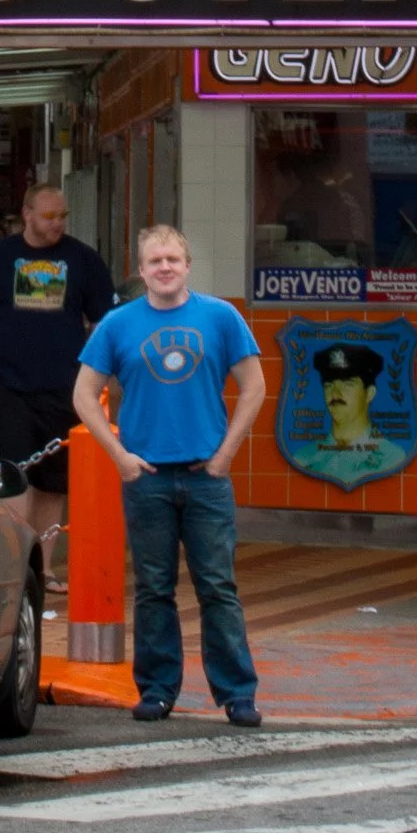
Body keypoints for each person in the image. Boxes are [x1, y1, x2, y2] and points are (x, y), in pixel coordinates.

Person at [73, 224, 266, 727]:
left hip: (207, 476)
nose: (164, 269)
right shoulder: (117, 325)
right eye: (155, 261)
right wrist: (118, 456)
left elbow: (255, 387)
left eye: (173, 260)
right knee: (154, 589)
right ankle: (157, 690)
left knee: (218, 587)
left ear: (187, 266)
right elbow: (82, 395)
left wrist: (226, 454)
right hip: (147, 478)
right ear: (141, 270)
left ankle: (237, 694)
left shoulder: (221, 317)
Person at [0, 186, 116, 556]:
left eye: (62, 216)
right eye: (49, 216)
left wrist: (93, 379)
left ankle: (42, 569)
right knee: (12, 478)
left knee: (52, 483)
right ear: (27, 213)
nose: (57, 224)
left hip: (64, 388)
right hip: (5, 386)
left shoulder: (84, 260)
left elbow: (104, 324)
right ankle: (15, 563)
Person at [292, 341, 410, 485]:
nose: (335, 393)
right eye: (328, 384)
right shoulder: (303, 458)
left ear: (369, 393)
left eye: (348, 383)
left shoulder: (392, 459)